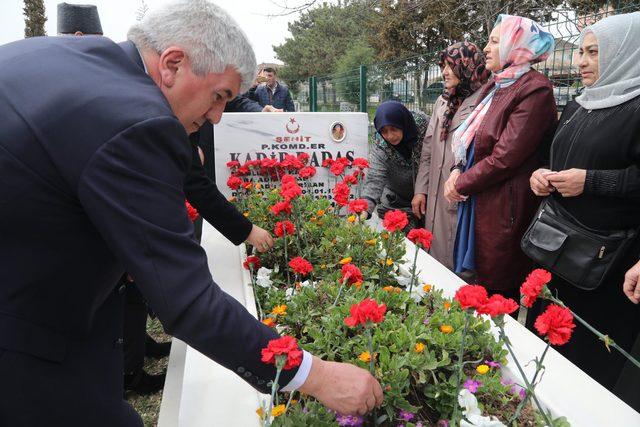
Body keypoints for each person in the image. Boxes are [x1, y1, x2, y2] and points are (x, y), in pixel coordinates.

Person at [0, 1, 382, 425]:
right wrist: (318, 375)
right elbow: (186, 301)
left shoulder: (61, 57)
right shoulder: (137, 120)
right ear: (173, 64)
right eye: (219, 96)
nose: (217, 116)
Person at [529, 12, 640, 408]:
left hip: (605, 264)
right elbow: (556, 159)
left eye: (594, 52)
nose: (581, 61)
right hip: (557, 247)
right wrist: (542, 176)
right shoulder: (580, 104)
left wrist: (590, 181)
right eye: (580, 51)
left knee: (587, 360)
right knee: (545, 347)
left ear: (626, 53)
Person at [443, 15, 557, 299]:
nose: (486, 48)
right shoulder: (497, 85)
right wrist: (458, 168)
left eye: (494, 41)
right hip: (480, 199)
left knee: (495, 294)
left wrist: (460, 183)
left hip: (502, 209)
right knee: (473, 285)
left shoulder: (535, 89)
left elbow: (505, 157)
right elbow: (471, 139)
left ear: (514, 45)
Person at [412, 42, 490, 269]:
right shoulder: (442, 101)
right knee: (433, 259)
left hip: (459, 197)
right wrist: (421, 190)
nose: (444, 72)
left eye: (450, 65)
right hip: (434, 196)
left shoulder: (482, 105)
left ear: (467, 66)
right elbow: (428, 150)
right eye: (443, 66)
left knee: (455, 263)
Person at [363, 101, 430, 231]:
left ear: (403, 124)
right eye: (384, 131)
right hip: (396, 201)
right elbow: (375, 178)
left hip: (428, 196)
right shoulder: (381, 143)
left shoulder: (425, 128)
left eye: (394, 129)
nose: (390, 136)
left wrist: (422, 191)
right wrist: (364, 210)